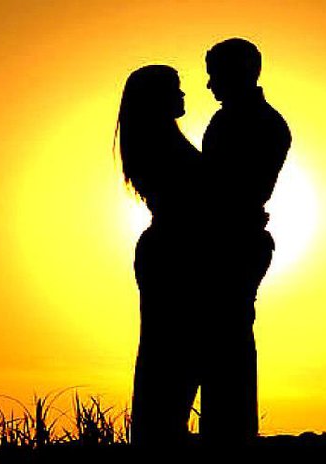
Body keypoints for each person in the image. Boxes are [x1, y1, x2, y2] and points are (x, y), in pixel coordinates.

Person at [199, 38, 291, 444]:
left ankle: (230, 435)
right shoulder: (237, 119)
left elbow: (227, 186)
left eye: (215, 75)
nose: (209, 85)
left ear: (240, 73)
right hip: (234, 235)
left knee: (228, 338)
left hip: (233, 239)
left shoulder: (256, 122)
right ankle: (226, 432)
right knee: (223, 337)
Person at [116, 64, 201, 446]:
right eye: (175, 89)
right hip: (173, 250)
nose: (182, 95)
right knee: (171, 350)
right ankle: (161, 437)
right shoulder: (161, 146)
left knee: (172, 348)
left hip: (169, 246)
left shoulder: (162, 141)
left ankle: (163, 434)